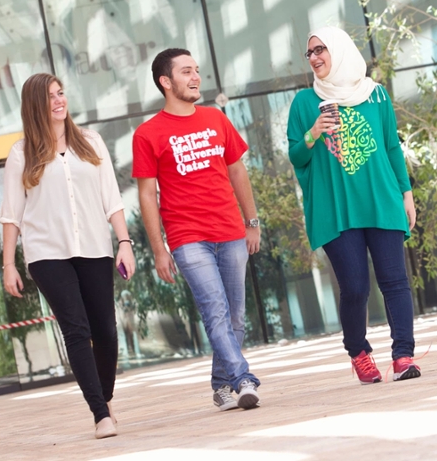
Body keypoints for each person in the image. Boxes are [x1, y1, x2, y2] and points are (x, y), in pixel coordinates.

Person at [0, 73, 135, 439]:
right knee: (76, 329)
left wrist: (125, 242)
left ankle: (104, 399)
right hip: (47, 254)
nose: (59, 101)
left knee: (105, 332)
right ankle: (99, 414)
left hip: (93, 246)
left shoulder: (91, 142)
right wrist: (9, 264)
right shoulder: (21, 153)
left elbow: (112, 198)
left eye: (61, 93)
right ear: (35, 106)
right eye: (50, 97)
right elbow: (12, 213)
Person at [287, 26, 420, 384]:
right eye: (310, 52)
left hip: (382, 200)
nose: (315, 57)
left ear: (340, 50)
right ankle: (358, 352)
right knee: (356, 287)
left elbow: (392, 146)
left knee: (395, 281)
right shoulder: (304, 103)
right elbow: (296, 156)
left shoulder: (375, 96)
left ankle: (403, 355)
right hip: (337, 209)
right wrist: (314, 132)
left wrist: (406, 194)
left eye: (321, 50)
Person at [132, 48, 262, 411]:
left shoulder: (216, 119)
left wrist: (252, 223)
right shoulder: (147, 134)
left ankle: (222, 385)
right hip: (188, 238)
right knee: (215, 309)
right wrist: (159, 249)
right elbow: (146, 195)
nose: (195, 77)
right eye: (186, 71)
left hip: (231, 231)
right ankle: (243, 378)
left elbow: (238, 172)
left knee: (236, 315)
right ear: (166, 81)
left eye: (197, 70)